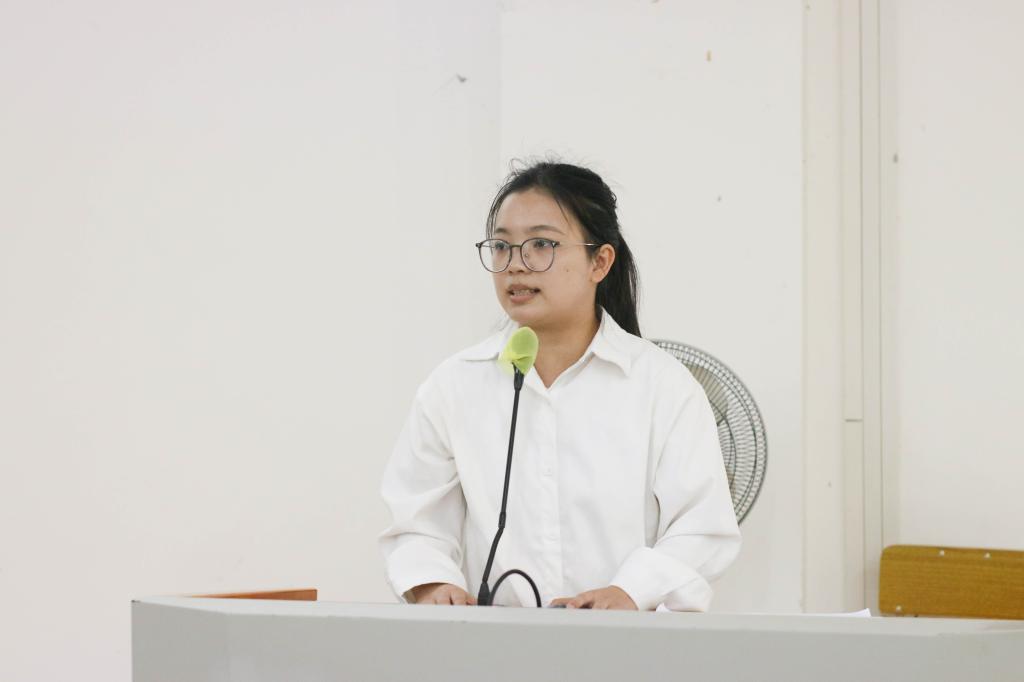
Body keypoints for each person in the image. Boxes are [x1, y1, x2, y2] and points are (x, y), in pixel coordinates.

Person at [378, 160, 740, 610]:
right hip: (492, 644)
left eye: (542, 245)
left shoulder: (662, 386)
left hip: (623, 641)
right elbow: (416, 523)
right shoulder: (453, 386)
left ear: (599, 262)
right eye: (502, 246)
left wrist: (630, 592)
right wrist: (433, 584)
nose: (516, 265)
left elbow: (702, 528)